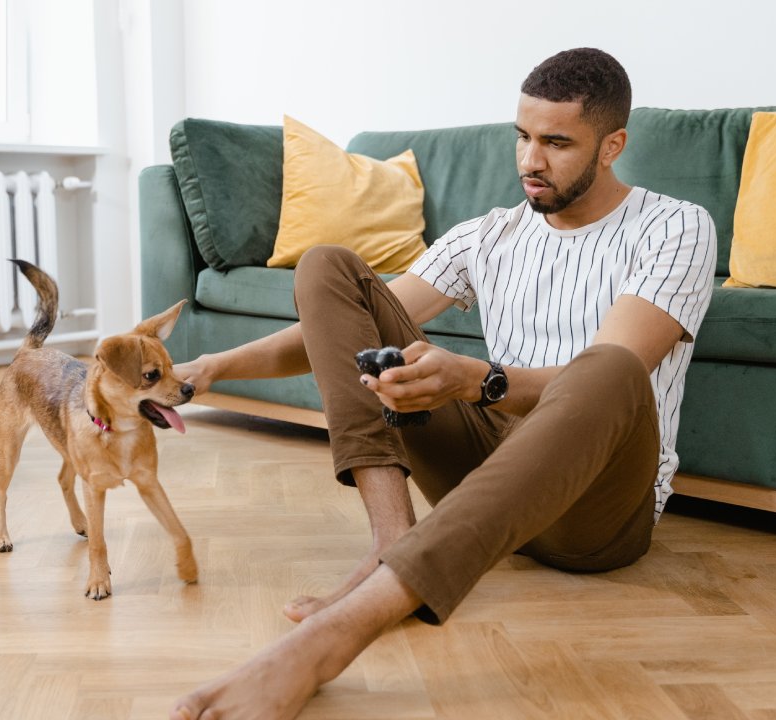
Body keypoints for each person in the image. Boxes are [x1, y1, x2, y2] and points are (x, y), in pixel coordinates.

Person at [169, 47, 716, 720]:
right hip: (484, 469)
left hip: (595, 516)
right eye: (522, 136)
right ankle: (390, 545)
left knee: (607, 368)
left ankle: (340, 635)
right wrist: (213, 366)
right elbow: (340, 325)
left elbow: (606, 380)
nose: (529, 161)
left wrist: (476, 380)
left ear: (613, 146)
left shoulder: (676, 227)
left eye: (556, 143)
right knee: (329, 268)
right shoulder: (488, 236)